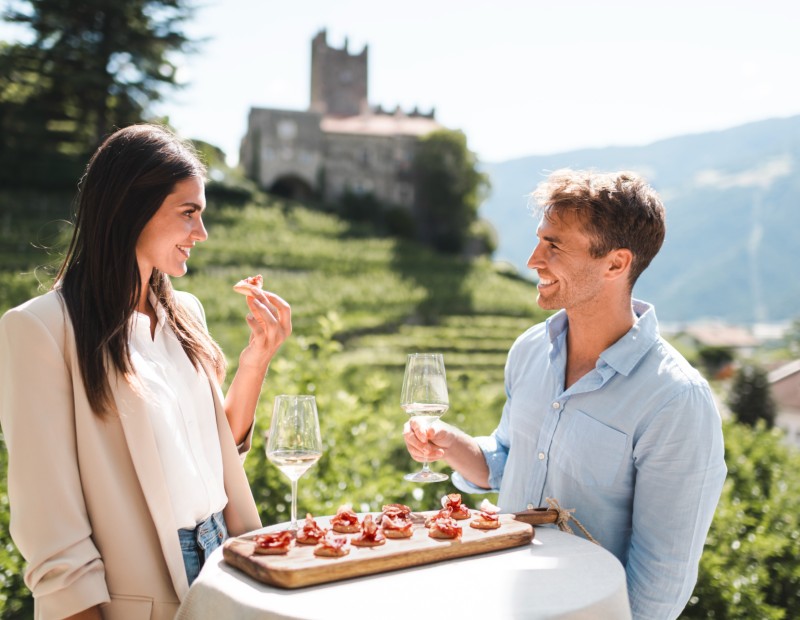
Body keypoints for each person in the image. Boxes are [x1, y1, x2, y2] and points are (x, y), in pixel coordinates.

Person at [403, 168, 727, 619]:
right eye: (540, 239)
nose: (534, 259)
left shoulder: (676, 400)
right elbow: (511, 462)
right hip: (503, 599)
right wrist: (452, 445)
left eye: (554, 245)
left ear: (616, 263)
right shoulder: (530, 351)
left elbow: (661, 578)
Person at [0, 124, 292, 619]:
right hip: (144, 595)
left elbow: (213, 453)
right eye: (188, 214)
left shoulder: (187, 315)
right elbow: (55, 541)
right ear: (131, 210)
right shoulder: (41, 330)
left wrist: (256, 360)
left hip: (228, 564)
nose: (201, 234)